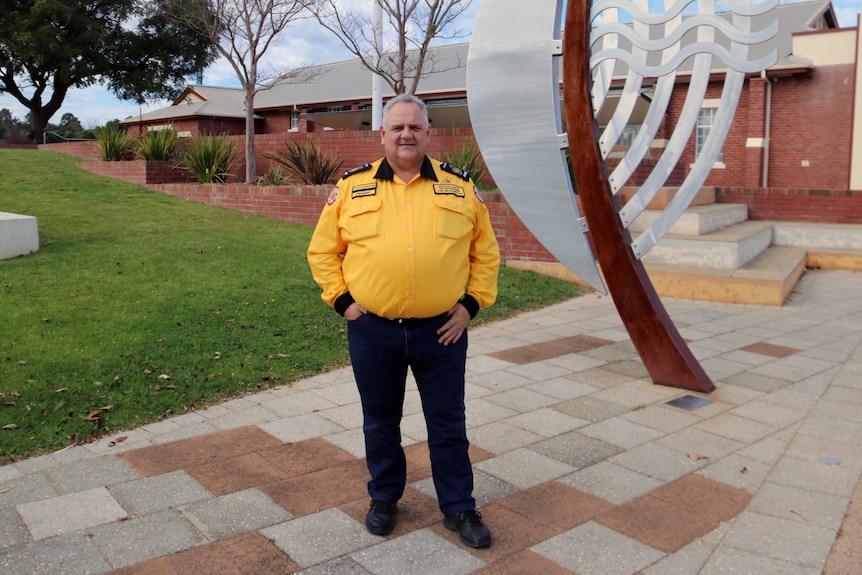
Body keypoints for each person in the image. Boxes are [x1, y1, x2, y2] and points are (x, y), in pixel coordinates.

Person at [307, 93, 500, 549]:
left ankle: (458, 507)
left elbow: (485, 253)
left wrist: (470, 306)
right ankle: (384, 498)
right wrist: (343, 302)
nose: (406, 135)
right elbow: (322, 251)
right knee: (379, 421)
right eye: (397, 128)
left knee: (448, 423)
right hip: (373, 330)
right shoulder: (352, 189)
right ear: (383, 135)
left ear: (428, 133)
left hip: (442, 333)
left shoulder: (459, 188)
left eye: (415, 127)